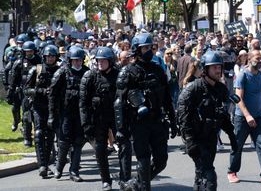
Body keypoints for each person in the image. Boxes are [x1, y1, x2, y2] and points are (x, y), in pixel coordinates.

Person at [114, 33, 177, 190]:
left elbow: (167, 98)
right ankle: (143, 186)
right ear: (137, 49)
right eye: (145, 48)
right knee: (143, 159)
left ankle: (136, 184)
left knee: (161, 160)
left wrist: (173, 120)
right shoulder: (127, 72)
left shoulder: (158, 70)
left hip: (157, 121)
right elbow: (119, 102)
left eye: (151, 47)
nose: (149, 51)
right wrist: (121, 129)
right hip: (138, 122)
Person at [177, 51, 238, 191]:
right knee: (210, 175)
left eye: (219, 67)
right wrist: (189, 140)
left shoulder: (221, 88)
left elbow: (223, 115)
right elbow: (182, 116)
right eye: (214, 67)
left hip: (211, 138)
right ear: (205, 69)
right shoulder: (193, 88)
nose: (218, 70)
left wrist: (232, 136)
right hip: (196, 139)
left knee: (201, 173)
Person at [227, 49, 261, 187]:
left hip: (258, 117)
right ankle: (232, 171)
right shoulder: (242, 76)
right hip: (242, 118)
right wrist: (247, 115)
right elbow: (238, 99)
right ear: (249, 59)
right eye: (257, 58)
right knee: (237, 146)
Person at [80, 47, 131, 190]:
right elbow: (83, 102)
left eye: (103, 60)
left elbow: (128, 96)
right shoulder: (90, 76)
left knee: (125, 146)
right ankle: (106, 180)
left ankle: (125, 178)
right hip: (98, 118)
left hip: (117, 117)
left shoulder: (120, 75)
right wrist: (85, 123)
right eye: (98, 60)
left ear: (110, 61)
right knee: (100, 149)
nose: (100, 63)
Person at [49, 46, 89, 182]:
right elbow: (52, 95)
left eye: (79, 60)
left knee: (78, 142)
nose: (77, 63)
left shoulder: (87, 73)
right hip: (65, 113)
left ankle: (74, 170)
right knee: (64, 142)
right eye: (74, 60)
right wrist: (52, 115)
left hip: (80, 114)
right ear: (69, 60)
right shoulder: (62, 72)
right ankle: (59, 168)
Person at [24, 45, 60, 178]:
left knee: (50, 136)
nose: (50, 58)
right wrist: (41, 91)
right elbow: (27, 89)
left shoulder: (60, 71)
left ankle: (47, 162)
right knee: (39, 134)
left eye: (52, 56)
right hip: (38, 107)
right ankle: (42, 165)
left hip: (53, 109)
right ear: (44, 56)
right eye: (48, 56)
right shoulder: (36, 69)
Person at [10, 40, 42, 147]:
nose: (29, 53)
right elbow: (14, 78)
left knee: (38, 116)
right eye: (27, 51)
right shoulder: (20, 62)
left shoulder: (39, 61)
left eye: (31, 51)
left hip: (37, 92)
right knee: (26, 116)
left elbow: (41, 76)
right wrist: (12, 91)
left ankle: (40, 137)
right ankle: (27, 138)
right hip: (25, 92)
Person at [4, 47, 21, 131]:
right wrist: (7, 85)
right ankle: (16, 120)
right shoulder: (10, 64)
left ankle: (26, 127)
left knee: (27, 110)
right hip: (14, 88)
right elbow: (5, 73)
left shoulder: (23, 63)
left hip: (23, 87)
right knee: (15, 107)